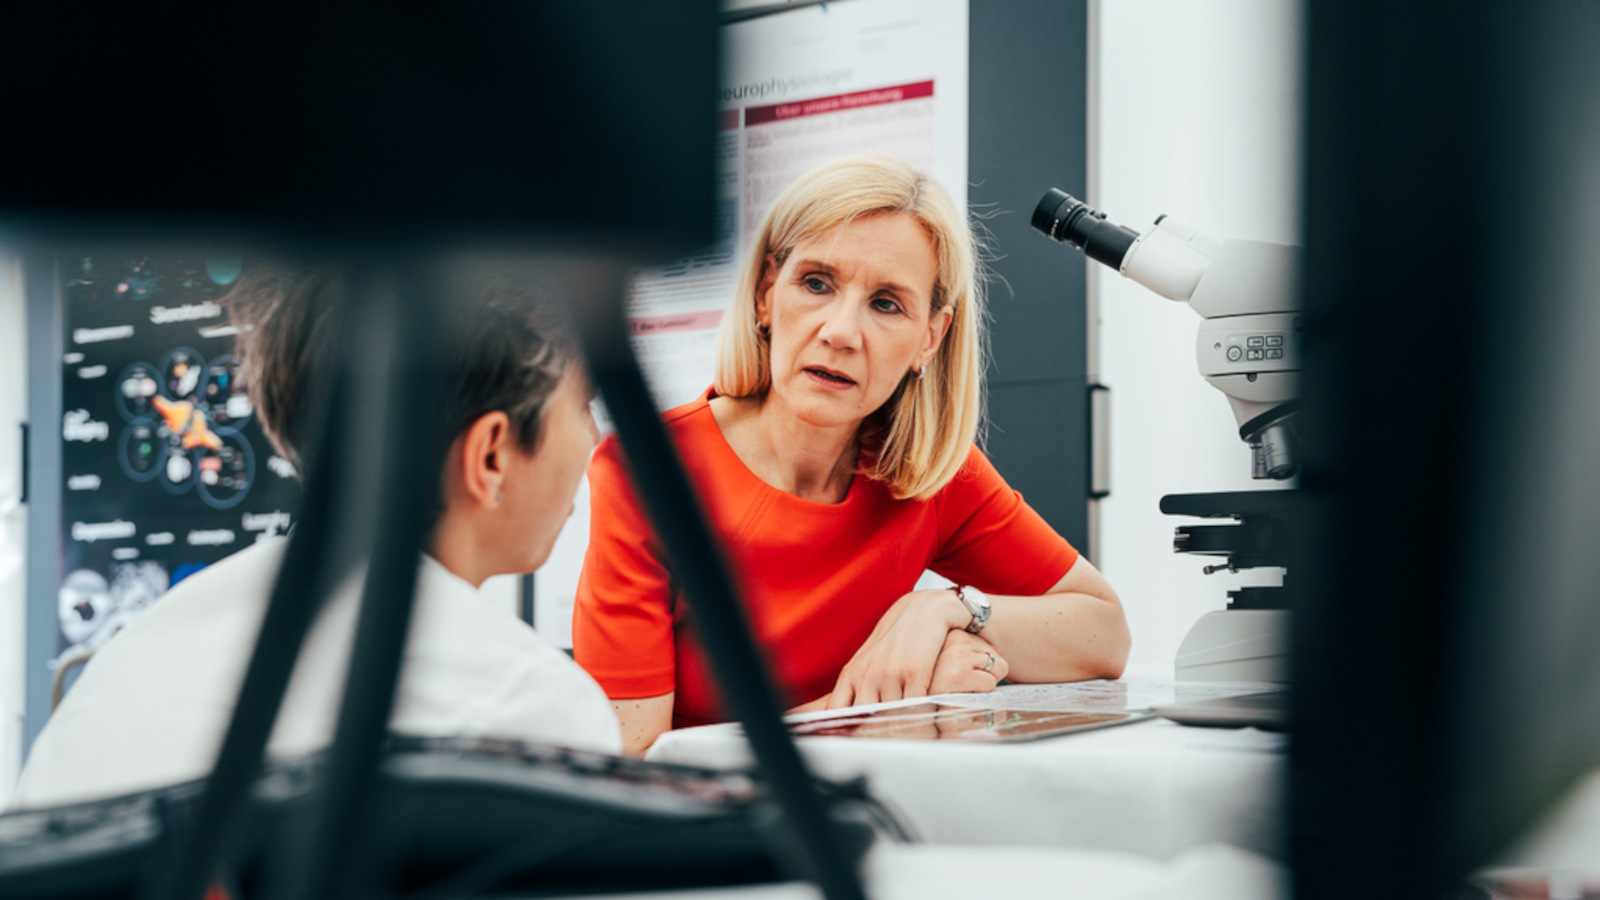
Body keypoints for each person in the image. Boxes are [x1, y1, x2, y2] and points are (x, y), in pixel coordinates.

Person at [574, 154, 1131, 755]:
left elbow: (1105, 637)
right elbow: (633, 757)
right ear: (766, 296)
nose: (840, 331)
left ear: (930, 338)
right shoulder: (649, 469)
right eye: (816, 284)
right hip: (706, 833)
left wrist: (943, 612)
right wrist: (895, 701)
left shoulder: (932, 473)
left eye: (887, 303)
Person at [10, 265, 620, 809]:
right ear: (490, 456)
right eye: (586, 405)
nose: (594, 438)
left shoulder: (119, 673)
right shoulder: (534, 715)